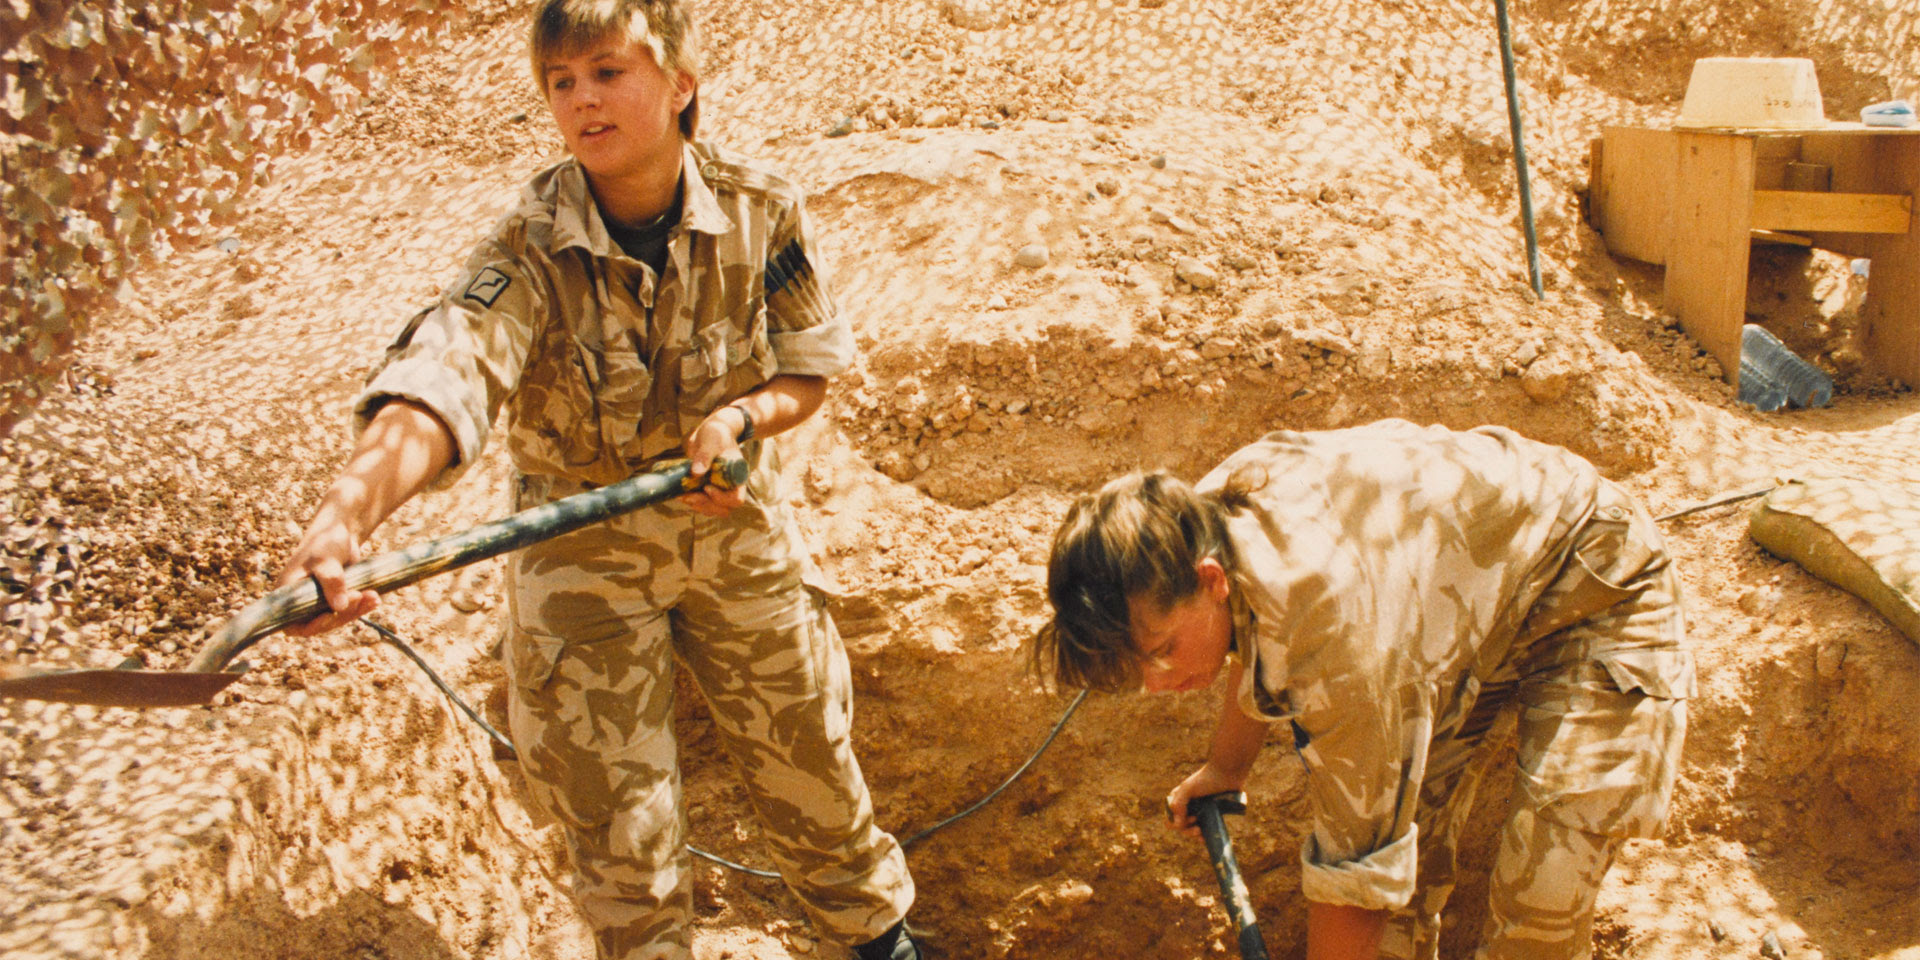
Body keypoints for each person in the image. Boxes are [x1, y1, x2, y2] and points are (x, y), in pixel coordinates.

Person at [273, 2, 920, 957]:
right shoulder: (527, 247)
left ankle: (878, 944)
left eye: (608, 72)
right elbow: (443, 383)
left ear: (680, 82)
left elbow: (806, 370)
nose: (583, 100)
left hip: (733, 528)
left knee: (813, 766)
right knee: (622, 831)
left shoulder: (761, 208)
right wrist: (343, 517)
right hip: (580, 562)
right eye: (562, 83)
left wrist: (741, 419)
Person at [1031, 419, 1692, 960]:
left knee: (1541, 896)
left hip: (1598, 584)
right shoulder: (1176, 532)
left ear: (1210, 581)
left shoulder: (1341, 646)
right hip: (1467, 615)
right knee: (1398, 905)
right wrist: (1225, 767)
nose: (1158, 684)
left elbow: (1353, 882)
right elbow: (1254, 637)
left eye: (1165, 652)